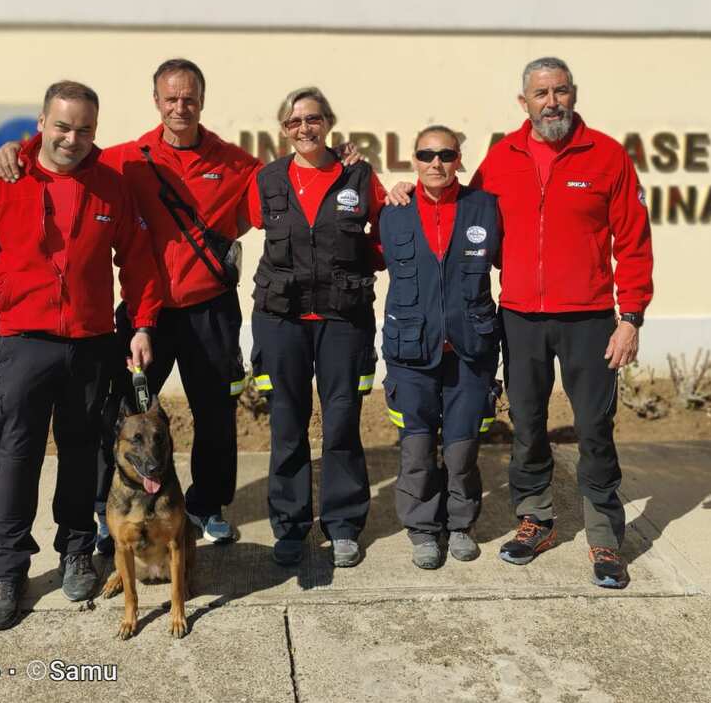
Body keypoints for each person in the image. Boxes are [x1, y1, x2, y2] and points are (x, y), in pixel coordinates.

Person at [388, 57, 652, 588]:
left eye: (559, 92)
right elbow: (458, 209)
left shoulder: (607, 156)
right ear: (523, 102)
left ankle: (604, 536)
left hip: (590, 319)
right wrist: (404, 192)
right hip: (520, 317)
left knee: (594, 428)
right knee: (527, 425)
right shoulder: (501, 158)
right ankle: (536, 518)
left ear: (573, 94)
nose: (551, 102)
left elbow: (634, 239)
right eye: (540, 93)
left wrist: (632, 317)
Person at [0, 59, 260, 547]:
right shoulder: (127, 158)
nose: (181, 106)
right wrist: (16, 149)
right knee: (116, 414)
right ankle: (105, 507)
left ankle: (207, 504)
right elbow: (67, 156)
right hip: (146, 316)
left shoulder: (236, 162)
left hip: (210, 310)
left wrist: (342, 159)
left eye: (190, 97)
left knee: (217, 415)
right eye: (171, 97)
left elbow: (283, 188)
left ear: (203, 99)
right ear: (156, 100)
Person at [0, 80, 162, 631]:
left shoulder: (110, 187)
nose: (73, 138)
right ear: (41, 123)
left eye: (85, 128)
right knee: (17, 456)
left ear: (96, 129)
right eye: (62, 126)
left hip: (91, 345)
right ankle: (8, 568)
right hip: (24, 343)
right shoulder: (3, 180)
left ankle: (75, 550)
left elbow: (136, 261)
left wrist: (140, 323)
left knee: (79, 453)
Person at [245, 86, 387, 569]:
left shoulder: (359, 176)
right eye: (293, 122)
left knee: (342, 423)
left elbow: (388, 233)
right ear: (283, 129)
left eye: (312, 119)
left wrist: (364, 265)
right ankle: (290, 525)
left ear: (328, 121)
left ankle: (343, 524)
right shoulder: (265, 180)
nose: (304, 129)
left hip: (342, 319)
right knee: (287, 426)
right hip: (280, 319)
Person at [378, 126, 501, 569]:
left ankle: (461, 523)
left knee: (462, 447)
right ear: (414, 160)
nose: (436, 163)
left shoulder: (484, 208)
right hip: (411, 350)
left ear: (459, 159)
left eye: (446, 154)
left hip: (471, 348)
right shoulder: (393, 212)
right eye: (427, 155)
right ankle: (424, 529)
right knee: (415, 448)